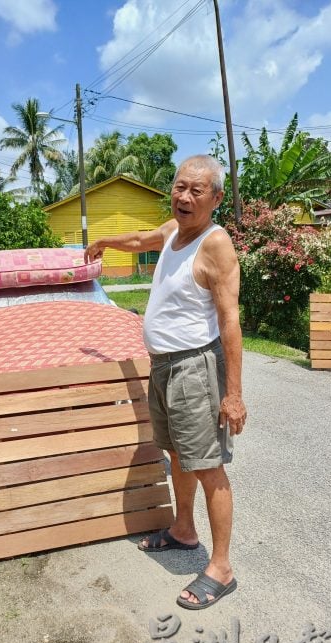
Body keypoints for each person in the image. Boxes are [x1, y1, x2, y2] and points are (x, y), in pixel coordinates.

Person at [84, 154, 247, 610]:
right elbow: (141, 239)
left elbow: (230, 320)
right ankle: (183, 529)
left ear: (216, 199)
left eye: (197, 191)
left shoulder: (215, 245)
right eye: (179, 187)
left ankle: (221, 567)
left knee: (207, 464)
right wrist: (105, 242)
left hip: (195, 368)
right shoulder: (175, 230)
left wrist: (233, 394)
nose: (184, 197)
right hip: (163, 367)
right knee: (177, 453)